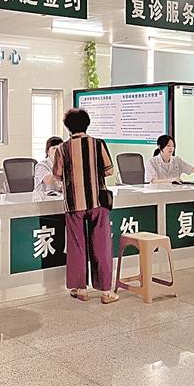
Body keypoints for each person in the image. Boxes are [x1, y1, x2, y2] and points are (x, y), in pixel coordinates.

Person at [53, 108, 118, 304]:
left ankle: (81, 289)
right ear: (87, 124)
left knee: (77, 245)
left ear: (68, 128)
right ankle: (106, 292)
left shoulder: (62, 149)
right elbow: (109, 171)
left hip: (74, 203)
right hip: (98, 202)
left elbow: (57, 175)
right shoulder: (98, 144)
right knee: (102, 246)